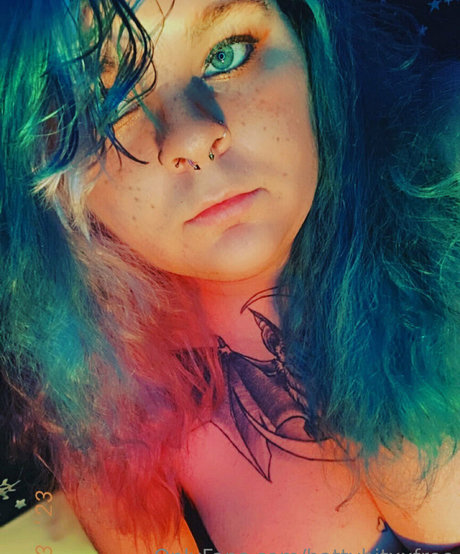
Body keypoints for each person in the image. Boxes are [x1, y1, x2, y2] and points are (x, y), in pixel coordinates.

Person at [0, 0, 459, 552]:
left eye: (227, 53)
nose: (193, 137)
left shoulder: (448, 195)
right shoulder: (101, 419)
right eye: (106, 105)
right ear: (44, 169)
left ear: (311, 43)